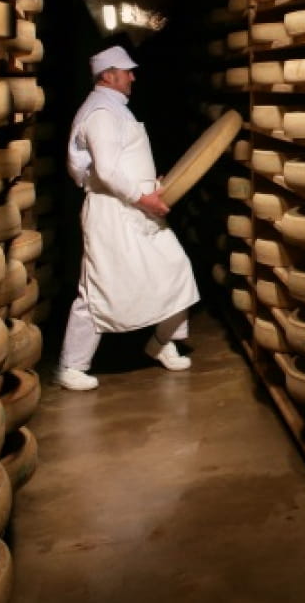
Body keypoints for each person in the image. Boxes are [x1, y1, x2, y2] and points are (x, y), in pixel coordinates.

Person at [55, 45, 199, 391]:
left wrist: (152, 185)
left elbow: (125, 162)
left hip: (137, 210)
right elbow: (104, 171)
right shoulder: (100, 113)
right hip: (112, 213)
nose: (133, 76)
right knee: (99, 288)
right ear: (108, 75)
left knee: (177, 270)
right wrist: (142, 196)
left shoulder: (116, 110)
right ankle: (71, 366)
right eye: (126, 71)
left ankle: (162, 343)